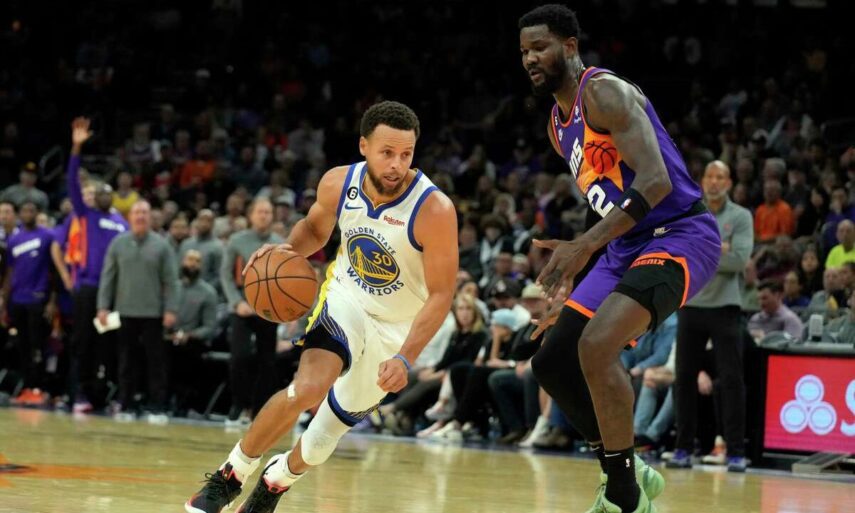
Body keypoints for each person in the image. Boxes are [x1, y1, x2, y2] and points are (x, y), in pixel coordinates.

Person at [185, 101, 457, 513]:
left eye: (406, 154)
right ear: (364, 146)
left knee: (321, 438)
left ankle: (275, 482)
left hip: (398, 328)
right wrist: (285, 250)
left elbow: (441, 294)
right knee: (308, 388)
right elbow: (315, 229)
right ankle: (230, 477)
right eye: (386, 152)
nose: (396, 165)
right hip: (348, 298)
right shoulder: (338, 183)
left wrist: (406, 357)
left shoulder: (434, 210)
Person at [519, 6, 721, 512]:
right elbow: (609, 199)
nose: (530, 59)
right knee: (552, 361)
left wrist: (585, 246)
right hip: (624, 246)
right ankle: (626, 471)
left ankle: (625, 497)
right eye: (523, 52)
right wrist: (580, 274)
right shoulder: (557, 125)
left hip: (680, 234)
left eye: (540, 47)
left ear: (569, 46)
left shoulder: (604, 93)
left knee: (596, 345)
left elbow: (655, 181)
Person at [671, 160, 753, 472]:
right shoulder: (690, 212)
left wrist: (700, 251)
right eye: (710, 176)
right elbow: (678, 254)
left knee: (731, 380)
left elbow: (739, 261)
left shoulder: (741, 216)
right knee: (683, 379)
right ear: (702, 180)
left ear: (729, 183)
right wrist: (719, 248)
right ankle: (682, 449)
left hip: (726, 307)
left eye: (720, 177)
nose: (714, 182)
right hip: (691, 304)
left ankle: (735, 452)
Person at [64, 118, 129, 412]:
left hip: (111, 293)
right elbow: (71, 183)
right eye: (97, 192)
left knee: (107, 344)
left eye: (106, 192)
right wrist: (76, 148)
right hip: (88, 288)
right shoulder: (86, 215)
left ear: (112, 196)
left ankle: (102, 395)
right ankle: (78, 393)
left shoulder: (122, 224)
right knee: (82, 341)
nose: (101, 195)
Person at [97, 200, 180, 422]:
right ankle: (126, 405)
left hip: (154, 313)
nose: (140, 216)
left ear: (150, 217)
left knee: (156, 362)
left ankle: (157, 407)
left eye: (144, 212)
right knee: (126, 362)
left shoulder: (162, 246)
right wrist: (103, 306)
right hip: (125, 311)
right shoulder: (118, 243)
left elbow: (171, 281)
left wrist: (171, 309)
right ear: (130, 217)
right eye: (136, 213)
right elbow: (108, 277)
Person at [219, 197, 284, 426]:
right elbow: (225, 275)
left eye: (268, 212)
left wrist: (278, 306)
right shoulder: (237, 241)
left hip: (269, 311)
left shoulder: (280, 243)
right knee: (239, 357)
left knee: (268, 362)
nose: (264, 216)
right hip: (242, 309)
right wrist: (237, 302)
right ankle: (239, 405)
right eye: (260, 212)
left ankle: (259, 411)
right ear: (251, 215)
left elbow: (286, 280)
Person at [2, 201, 59, 406]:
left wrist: (52, 300)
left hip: (38, 299)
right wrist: (4, 300)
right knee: (22, 346)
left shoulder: (47, 236)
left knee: (38, 346)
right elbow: (10, 272)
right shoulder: (14, 240)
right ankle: (27, 388)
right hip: (17, 299)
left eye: (31, 210)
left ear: (37, 213)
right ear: (20, 214)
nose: (28, 213)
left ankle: (39, 388)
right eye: (24, 210)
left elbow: (55, 270)